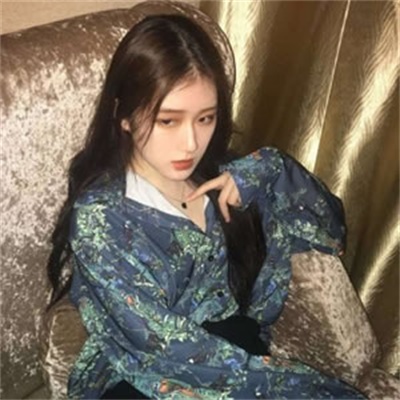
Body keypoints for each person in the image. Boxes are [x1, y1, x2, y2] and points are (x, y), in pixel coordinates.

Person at [47, 3, 366, 399]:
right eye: (168, 121)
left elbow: (330, 228)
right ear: (124, 116)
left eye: (205, 118)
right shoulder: (101, 217)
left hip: (235, 352)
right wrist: (291, 385)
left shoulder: (228, 180)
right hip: (140, 375)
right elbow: (158, 347)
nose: (191, 143)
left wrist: (273, 168)